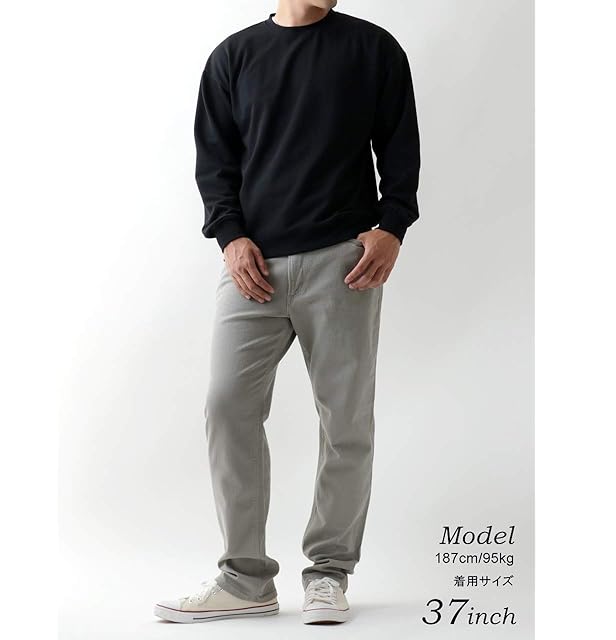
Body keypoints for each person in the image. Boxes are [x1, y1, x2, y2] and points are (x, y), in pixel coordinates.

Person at [154, 0, 420, 625]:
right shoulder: (234, 57)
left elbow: (400, 147)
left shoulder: (373, 49)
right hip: (253, 268)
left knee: (345, 419)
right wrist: (230, 237)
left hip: (344, 262)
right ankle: (245, 579)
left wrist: (392, 226)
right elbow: (215, 162)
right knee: (227, 405)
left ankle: (328, 573)